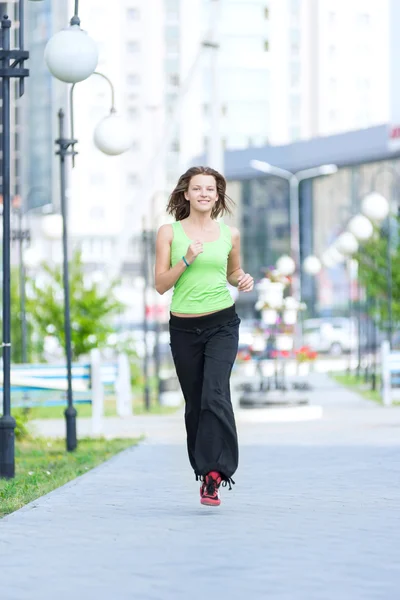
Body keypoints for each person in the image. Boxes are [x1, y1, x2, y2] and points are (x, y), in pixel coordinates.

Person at [155, 166, 254, 507]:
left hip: (222, 324)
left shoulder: (230, 234)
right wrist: (186, 259)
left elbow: (232, 272)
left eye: (210, 189)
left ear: (217, 195)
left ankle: (216, 474)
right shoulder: (169, 232)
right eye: (197, 188)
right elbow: (160, 285)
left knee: (215, 393)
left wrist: (243, 279)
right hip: (183, 329)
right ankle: (203, 467)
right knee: (196, 401)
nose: (204, 194)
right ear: (186, 194)